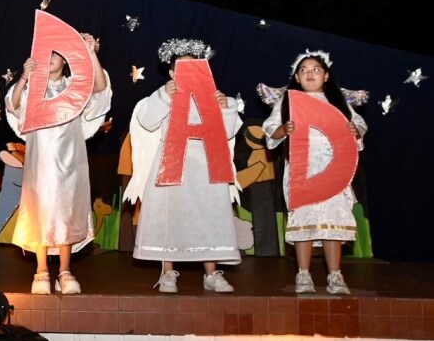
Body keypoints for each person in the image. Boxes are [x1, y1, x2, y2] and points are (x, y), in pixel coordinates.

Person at [131, 38, 241, 294]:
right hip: (172, 165)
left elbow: (228, 132)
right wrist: (163, 97)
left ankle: (211, 273)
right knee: (171, 216)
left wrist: (225, 108)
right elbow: (147, 122)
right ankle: (168, 272)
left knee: (208, 215)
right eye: (182, 68)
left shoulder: (214, 96)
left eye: (194, 67)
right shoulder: (164, 95)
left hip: (205, 166)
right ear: (172, 72)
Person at [5, 34, 111, 295]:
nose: (49, 58)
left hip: (70, 160)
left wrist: (90, 53)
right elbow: (14, 104)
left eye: (55, 54)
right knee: (41, 209)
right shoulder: (34, 88)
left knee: (66, 211)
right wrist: (24, 78)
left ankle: (65, 270)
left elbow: (99, 87)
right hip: (40, 161)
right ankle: (41, 270)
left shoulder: (74, 86)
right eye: (46, 54)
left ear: (64, 59)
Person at [262, 50, 367, 294]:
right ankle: (303, 274)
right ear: (297, 77)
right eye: (304, 70)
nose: (310, 74)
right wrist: (284, 130)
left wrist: (354, 131)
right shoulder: (287, 103)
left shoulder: (338, 103)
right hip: (302, 171)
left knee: (333, 219)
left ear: (326, 76)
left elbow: (360, 126)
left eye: (316, 70)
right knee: (304, 218)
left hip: (334, 170)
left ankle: (335, 275)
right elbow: (269, 129)